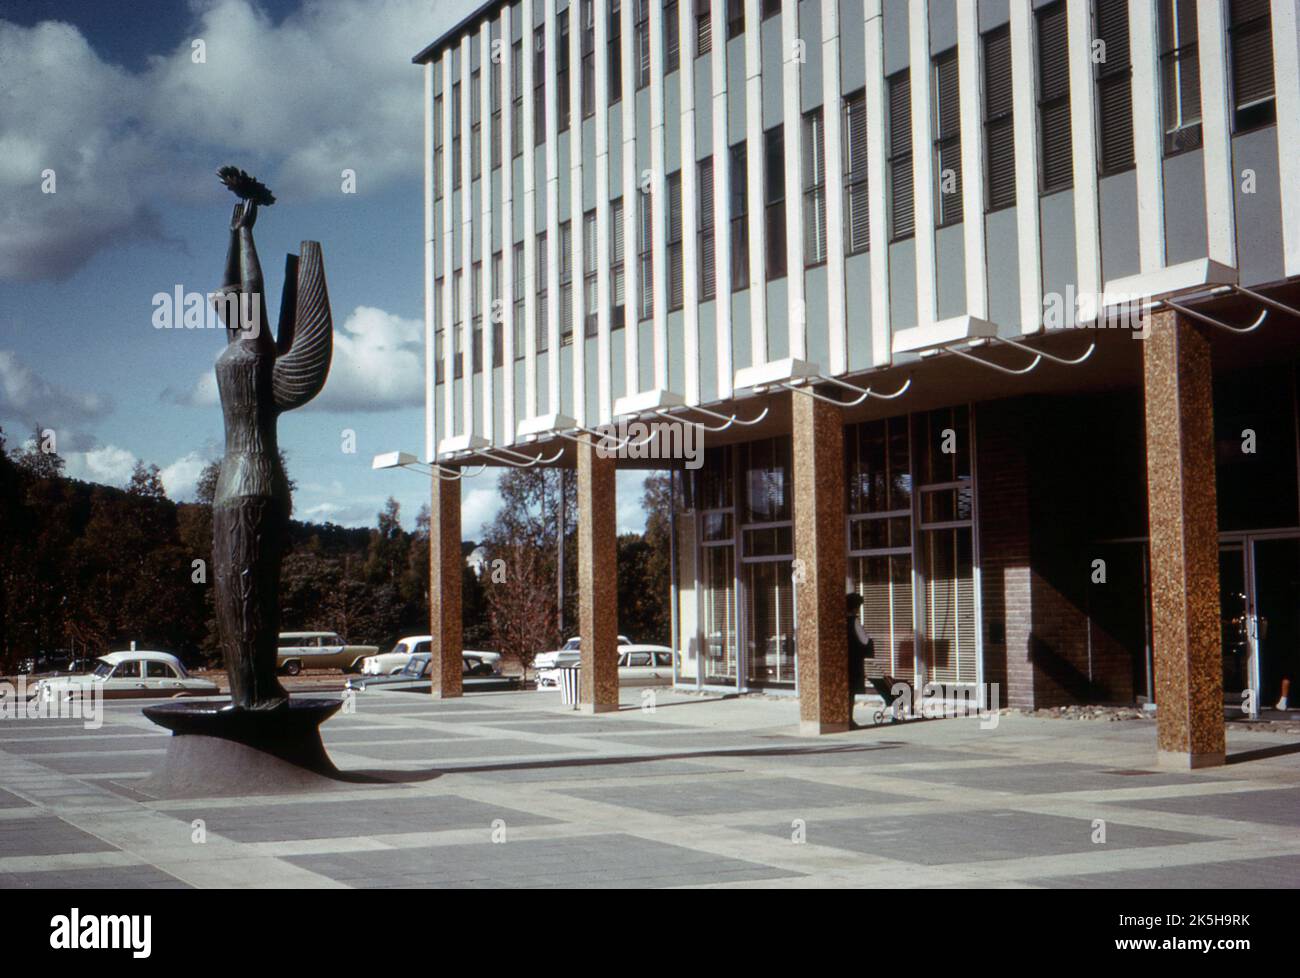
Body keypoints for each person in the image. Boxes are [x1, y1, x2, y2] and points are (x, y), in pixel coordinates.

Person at [846, 592, 873, 728]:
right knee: (851, 692)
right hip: (854, 661)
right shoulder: (854, 621)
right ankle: (849, 720)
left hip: (843, 660)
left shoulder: (839, 620)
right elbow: (864, 640)